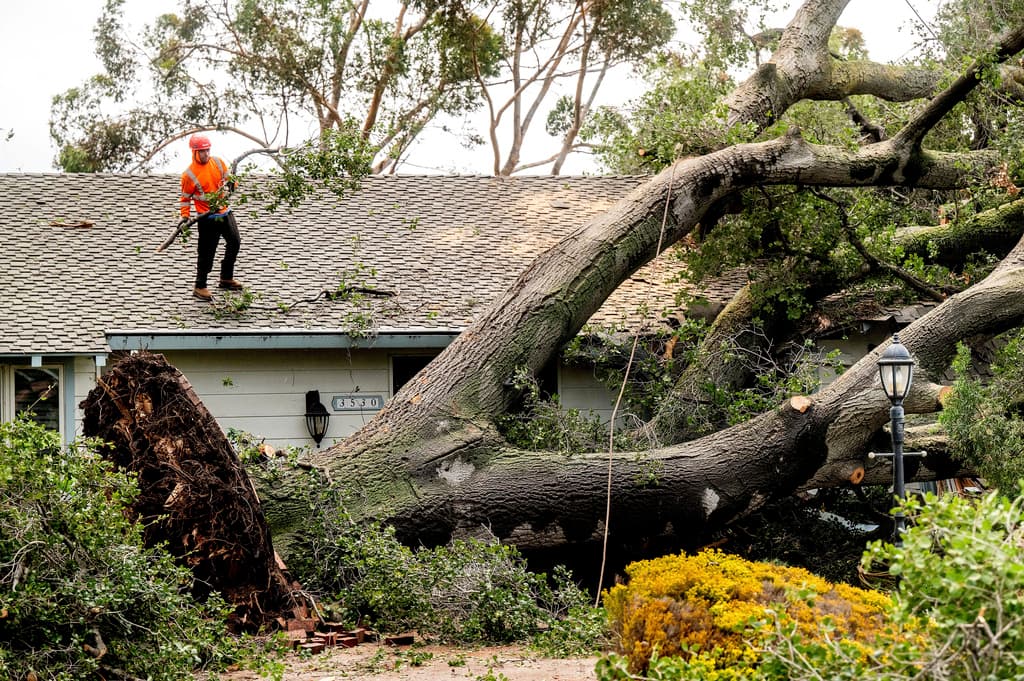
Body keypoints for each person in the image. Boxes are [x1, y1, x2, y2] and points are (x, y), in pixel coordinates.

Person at [179, 133, 242, 301]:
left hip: (224, 212)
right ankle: (200, 286)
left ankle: (226, 278)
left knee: (235, 242)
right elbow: (185, 199)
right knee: (207, 253)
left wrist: (232, 184)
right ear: (194, 152)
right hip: (207, 218)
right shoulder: (189, 175)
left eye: (207, 150)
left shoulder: (218, 162)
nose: (206, 154)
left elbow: (230, 180)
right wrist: (184, 217)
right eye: (202, 151)